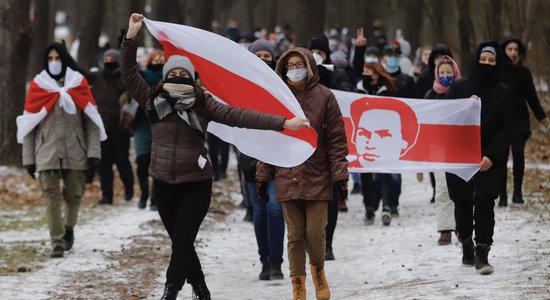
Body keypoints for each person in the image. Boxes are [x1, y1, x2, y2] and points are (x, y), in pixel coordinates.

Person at [122, 13, 307, 300]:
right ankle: (201, 289)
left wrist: (283, 122)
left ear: (193, 77)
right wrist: (132, 37)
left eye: (184, 74)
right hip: (163, 183)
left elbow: (239, 115)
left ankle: (170, 290)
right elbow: (129, 73)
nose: (179, 77)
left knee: (183, 239)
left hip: (196, 182)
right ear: (164, 76)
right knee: (181, 243)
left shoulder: (202, 102)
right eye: (174, 73)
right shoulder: (151, 101)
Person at [256, 47, 348, 300]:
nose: (295, 70)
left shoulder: (325, 96)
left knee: (316, 232)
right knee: (295, 234)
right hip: (287, 172)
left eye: (299, 65)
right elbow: (268, 138)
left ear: (309, 67)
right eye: (290, 66)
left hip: (317, 173)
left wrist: (340, 173)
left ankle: (319, 273)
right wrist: (263, 174)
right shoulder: (277, 97)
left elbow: (337, 139)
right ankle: (298, 284)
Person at [18, 42, 103, 258]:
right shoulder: (38, 86)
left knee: (74, 195)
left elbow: (91, 121)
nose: (54, 62)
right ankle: (56, 241)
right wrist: (28, 158)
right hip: (46, 151)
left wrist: (94, 152)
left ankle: (69, 228)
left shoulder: (78, 83)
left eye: (57, 58)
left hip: (76, 149)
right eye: (50, 59)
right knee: (51, 196)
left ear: (64, 59)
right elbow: (29, 125)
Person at [445, 41, 514, 275]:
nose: (486, 64)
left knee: (485, 202)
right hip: (460, 156)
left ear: (497, 63)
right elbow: (446, 121)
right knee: (462, 201)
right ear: (476, 60)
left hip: (489, 158)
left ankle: (482, 252)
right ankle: (466, 242)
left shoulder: (504, 92)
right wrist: (465, 108)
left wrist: (492, 155)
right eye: (483, 59)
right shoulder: (459, 88)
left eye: (491, 60)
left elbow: (507, 128)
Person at [239, 38, 286, 281]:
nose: (262, 60)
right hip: (251, 157)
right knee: (259, 213)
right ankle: (265, 260)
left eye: (267, 56)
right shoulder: (240, 84)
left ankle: (277, 261)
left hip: (277, 156)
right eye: (258, 56)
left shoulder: (281, 85)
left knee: (275, 209)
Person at [307, 33, 355, 259]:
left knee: (332, 196)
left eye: (321, 52)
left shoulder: (338, 74)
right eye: (313, 52)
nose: (317, 56)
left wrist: (327, 75)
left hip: (332, 143)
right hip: (309, 144)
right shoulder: (302, 77)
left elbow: (349, 95)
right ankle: (313, 239)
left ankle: (328, 243)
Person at [498, 37, 549, 206]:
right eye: (510, 49)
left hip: (520, 120)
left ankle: (518, 192)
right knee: (501, 157)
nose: (513, 53)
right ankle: (502, 194)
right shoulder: (496, 71)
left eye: (516, 50)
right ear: (503, 50)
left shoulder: (524, 72)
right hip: (501, 121)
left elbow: (532, 97)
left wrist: (542, 118)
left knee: (518, 153)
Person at [424, 55, 462, 245]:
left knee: (462, 190)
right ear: (437, 74)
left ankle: (463, 227)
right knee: (442, 188)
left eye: (449, 72)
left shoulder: (463, 91)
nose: (446, 75)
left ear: (455, 73)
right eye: (442, 72)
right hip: (438, 148)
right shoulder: (431, 95)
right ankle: (445, 229)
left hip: (460, 146)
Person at [92, 49, 135, 205]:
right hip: (102, 130)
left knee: (122, 162)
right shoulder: (97, 78)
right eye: (106, 60)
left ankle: (129, 188)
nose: (109, 63)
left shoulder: (124, 79)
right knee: (104, 165)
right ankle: (106, 195)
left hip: (120, 129)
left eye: (112, 60)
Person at [135, 49, 166, 209]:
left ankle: (155, 197)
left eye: (162, 58)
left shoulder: (169, 79)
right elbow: (130, 73)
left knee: (157, 162)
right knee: (142, 161)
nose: (159, 61)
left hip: (162, 123)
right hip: (142, 124)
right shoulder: (143, 75)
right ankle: (144, 193)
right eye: (156, 58)